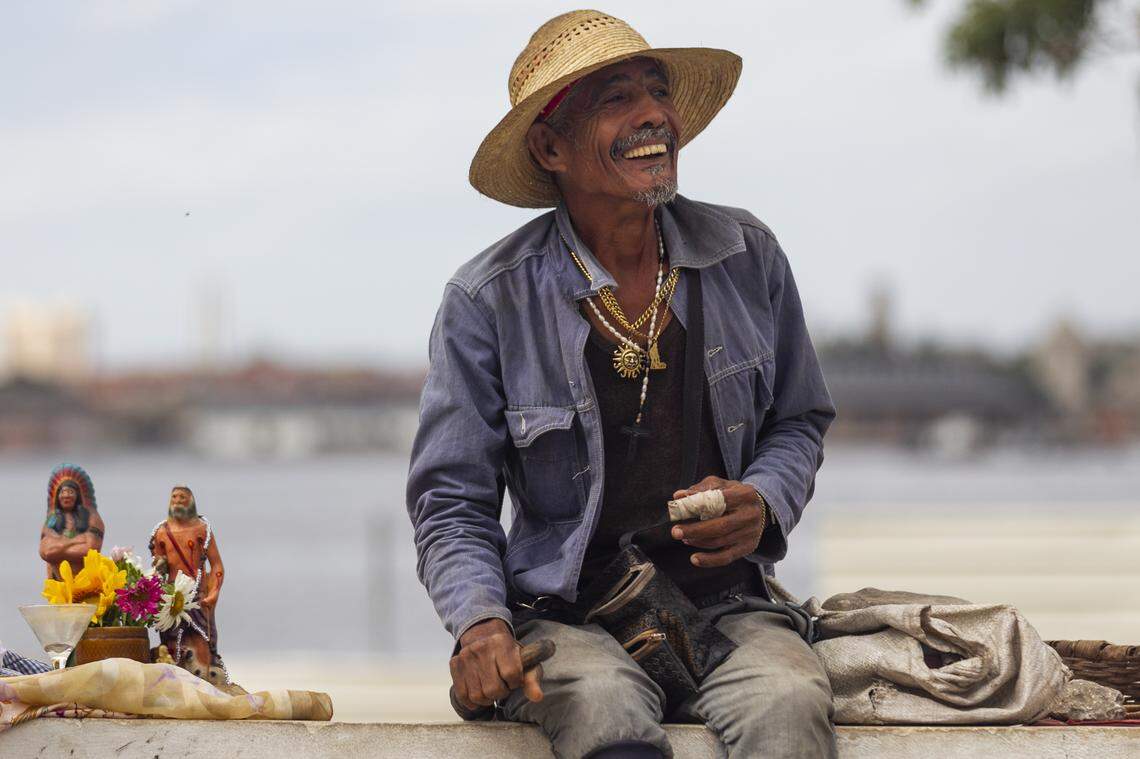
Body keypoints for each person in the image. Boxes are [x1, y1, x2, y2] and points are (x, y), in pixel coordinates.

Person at [407, 10, 837, 758]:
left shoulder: (748, 255)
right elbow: (451, 499)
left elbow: (799, 420)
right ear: (550, 147)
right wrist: (482, 621)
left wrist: (763, 500)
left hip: (728, 607)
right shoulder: (487, 299)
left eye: (656, 91)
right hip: (564, 616)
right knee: (605, 715)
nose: (653, 117)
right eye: (615, 98)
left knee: (792, 703)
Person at [149, 485, 229, 688]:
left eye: (182, 497)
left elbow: (217, 565)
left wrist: (213, 593)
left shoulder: (202, 530)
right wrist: (159, 567)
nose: (177, 500)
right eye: (174, 496)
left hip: (197, 595)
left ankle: (204, 683)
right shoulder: (161, 532)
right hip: (171, 599)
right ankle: (174, 683)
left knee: (202, 643)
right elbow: (158, 566)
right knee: (172, 646)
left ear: (191, 500)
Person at [39, 463, 105, 580]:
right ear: (57, 496)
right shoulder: (53, 520)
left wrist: (59, 544)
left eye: (70, 492)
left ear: (78, 496)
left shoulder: (92, 518)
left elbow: (89, 549)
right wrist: (76, 541)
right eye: (63, 492)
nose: (66, 496)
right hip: (57, 584)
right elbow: (47, 551)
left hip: (85, 584)